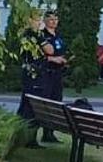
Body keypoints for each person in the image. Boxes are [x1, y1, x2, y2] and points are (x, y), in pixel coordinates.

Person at [18, 12, 70, 146]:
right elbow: (47, 52)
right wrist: (52, 58)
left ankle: (48, 133)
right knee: (33, 106)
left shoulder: (53, 36)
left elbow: (53, 50)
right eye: (37, 20)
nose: (38, 22)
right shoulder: (33, 36)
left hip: (54, 74)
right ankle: (29, 138)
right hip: (38, 75)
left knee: (54, 103)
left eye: (55, 19)